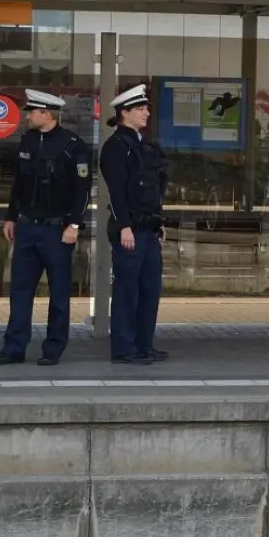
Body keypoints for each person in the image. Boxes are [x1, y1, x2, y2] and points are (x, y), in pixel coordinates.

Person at [0, 89, 92, 367]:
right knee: (20, 291)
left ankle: (53, 349)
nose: (28, 116)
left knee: (58, 294)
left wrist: (74, 224)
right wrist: (11, 216)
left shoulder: (73, 145)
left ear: (47, 114)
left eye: (32, 112)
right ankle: (14, 348)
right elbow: (19, 185)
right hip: (27, 228)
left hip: (57, 230)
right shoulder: (28, 141)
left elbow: (82, 190)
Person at [99, 83, 170, 365]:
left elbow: (153, 189)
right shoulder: (116, 146)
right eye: (140, 108)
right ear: (124, 113)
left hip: (148, 228)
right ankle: (124, 348)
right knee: (127, 291)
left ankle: (144, 345)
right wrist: (124, 225)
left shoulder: (144, 146)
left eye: (146, 107)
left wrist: (159, 221)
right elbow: (116, 191)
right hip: (130, 230)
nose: (147, 113)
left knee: (150, 290)